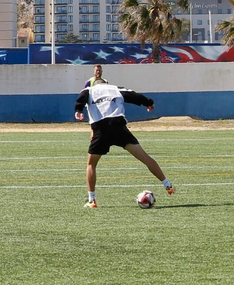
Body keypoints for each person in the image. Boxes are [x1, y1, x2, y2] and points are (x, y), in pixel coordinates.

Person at [74, 67, 173, 208]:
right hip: (119, 127)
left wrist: (78, 110)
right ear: (105, 84)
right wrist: (148, 103)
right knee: (145, 157)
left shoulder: (89, 90)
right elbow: (134, 95)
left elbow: (80, 99)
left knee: (91, 164)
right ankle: (167, 184)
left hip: (101, 130)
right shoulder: (115, 88)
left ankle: (92, 200)